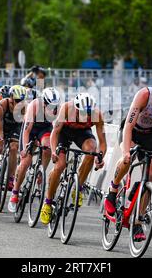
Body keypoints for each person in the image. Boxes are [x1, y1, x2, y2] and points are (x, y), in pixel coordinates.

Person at [104, 70, 152, 241]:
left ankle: (137, 221)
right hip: (131, 130)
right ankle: (113, 190)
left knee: (150, 176)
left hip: (148, 135)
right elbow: (128, 127)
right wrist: (125, 151)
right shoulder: (143, 96)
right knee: (128, 158)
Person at [40, 93, 107, 224]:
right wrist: (54, 151)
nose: (85, 116)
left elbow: (102, 143)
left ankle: (79, 187)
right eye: (82, 112)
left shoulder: (97, 115)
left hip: (82, 134)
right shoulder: (66, 109)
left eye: (88, 113)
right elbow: (55, 133)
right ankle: (47, 203)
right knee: (60, 166)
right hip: (64, 133)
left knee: (92, 151)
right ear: (76, 108)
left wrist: (100, 157)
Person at [8, 87, 60, 212]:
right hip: (30, 130)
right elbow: (26, 130)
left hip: (45, 129)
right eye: (49, 105)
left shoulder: (58, 110)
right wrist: (25, 149)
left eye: (54, 106)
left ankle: (41, 171)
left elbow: (56, 132)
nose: (51, 109)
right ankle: (14, 192)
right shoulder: (34, 106)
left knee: (47, 147)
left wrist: (55, 150)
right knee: (26, 161)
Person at [0, 85, 27, 192]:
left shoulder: (25, 107)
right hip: (1, 126)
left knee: (14, 148)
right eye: (16, 100)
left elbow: (26, 127)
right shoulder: (3, 104)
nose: (18, 103)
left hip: (15, 128)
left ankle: (11, 178)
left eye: (20, 100)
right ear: (10, 97)